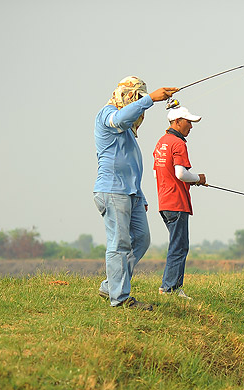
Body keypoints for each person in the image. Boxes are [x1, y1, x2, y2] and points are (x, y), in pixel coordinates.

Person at [93, 76, 179, 310]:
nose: (140, 106)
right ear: (128, 96)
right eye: (137, 98)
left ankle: (110, 285)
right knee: (119, 243)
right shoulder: (107, 114)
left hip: (132, 194)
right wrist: (151, 99)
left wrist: (140, 194)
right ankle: (120, 298)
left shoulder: (128, 130)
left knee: (141, 239)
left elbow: (131, 164)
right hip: (112, 191)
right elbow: (120, 118)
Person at [153, 101, 207, 299]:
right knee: (180, 245)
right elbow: (181, 173)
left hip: (164, 200)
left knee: (177, 244)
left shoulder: (161, 142)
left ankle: (171, 287)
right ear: (177, 122)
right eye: (188, 122)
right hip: (176, 201)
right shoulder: (178, 143)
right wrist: (198, 179)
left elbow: (158, 173)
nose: (191, 126)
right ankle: (170, 288)